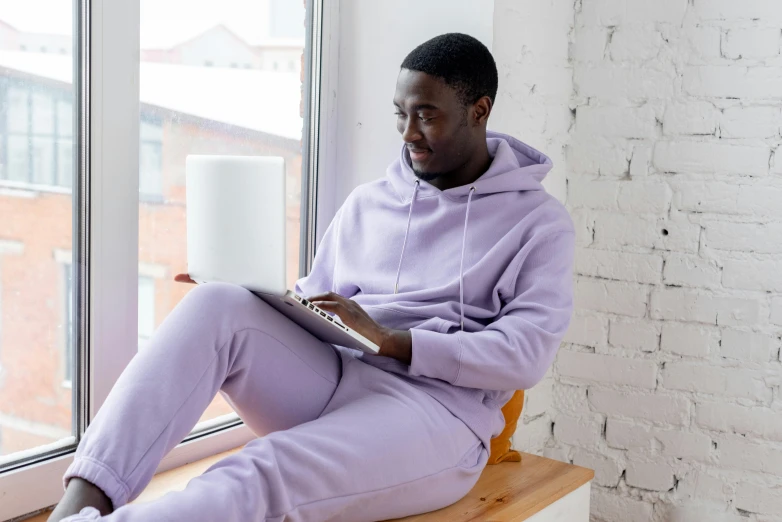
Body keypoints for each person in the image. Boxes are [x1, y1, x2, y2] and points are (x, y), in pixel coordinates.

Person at [49, 33, 574, 522]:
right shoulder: (371, 202)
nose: (409, 133)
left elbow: (525, 355)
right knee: (217, 304)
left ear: (478, 112)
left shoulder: (537, 224)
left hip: (437, 417)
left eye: (426, 116)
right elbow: (318, 301)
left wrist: (393, 342)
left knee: (263, 469)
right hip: (336, 380)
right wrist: (260, 295)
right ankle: (75, 508)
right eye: (400, 114)